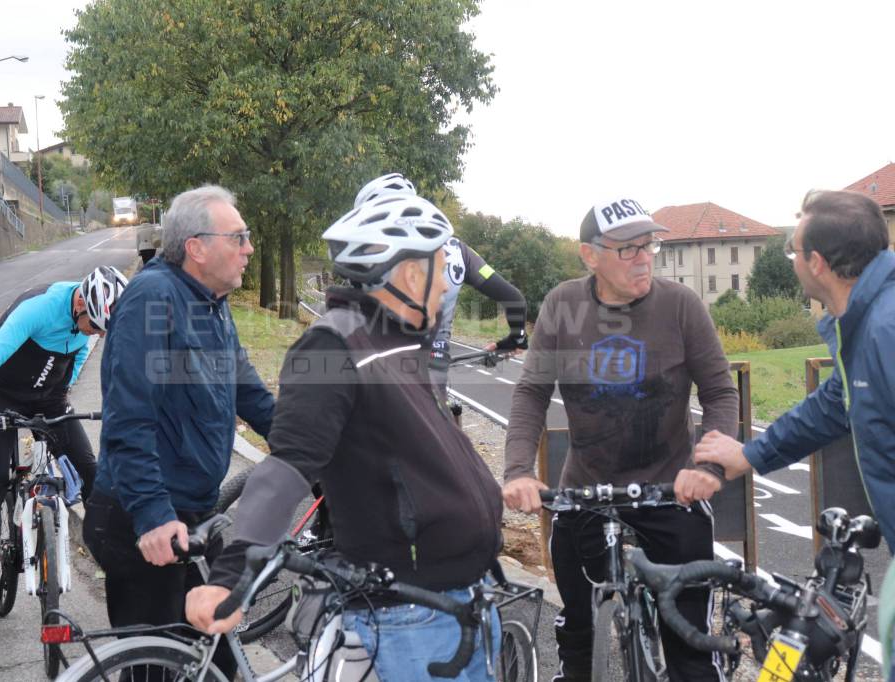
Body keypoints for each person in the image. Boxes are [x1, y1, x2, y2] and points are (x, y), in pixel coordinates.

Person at [185, 193, 504, 681]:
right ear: (411, 274)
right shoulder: (333, 344)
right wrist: (233, 577)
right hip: (412, 615)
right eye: (441, 267)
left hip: (456, 600)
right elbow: (289, 465)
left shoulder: (398, 340)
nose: (447, 284)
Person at [501, 197, 738, 681]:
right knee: (578, 642)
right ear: (590, 255)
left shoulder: (681, 305)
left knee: (691, 647)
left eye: (648, 245)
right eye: (628, 250)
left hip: (670, 490)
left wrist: (708, 467)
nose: (645, 257)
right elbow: (531, 393)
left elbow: (719, 392)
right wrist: (519, 471)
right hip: (587, 491)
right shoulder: (562, 305)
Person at [83, 185, 274, 676]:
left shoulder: (211, 302)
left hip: (190, 512)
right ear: (197, 247)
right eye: (240, 237)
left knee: (215, 659)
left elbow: (250, 394)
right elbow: (129, 418)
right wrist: (150, 514)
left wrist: (317, 452)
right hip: (143, 520)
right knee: (157, 668)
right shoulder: (154, 298)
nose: (249, 248)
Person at [694, 189, 895, 554]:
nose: (792, 261)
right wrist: (750, 455)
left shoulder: (886, 329)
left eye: (793, 252)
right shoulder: (866, 326)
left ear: (816, 263)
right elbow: (832, 405)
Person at [0, 265, 128, 618]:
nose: (94, 331)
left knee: (92, 474)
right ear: (80, 301)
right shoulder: (38, 308)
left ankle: (118, 565)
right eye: (93, 324)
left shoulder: (92, 321)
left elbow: (80, 351)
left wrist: (62, 393)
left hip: (47, 399)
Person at [353, 173, 529, 387]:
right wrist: (516, 338)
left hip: (381, 364)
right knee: (440, 414)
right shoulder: (456, 250)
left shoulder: (364, 255)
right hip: (435, 361)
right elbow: (514, 298)